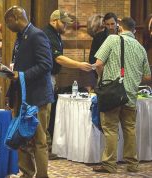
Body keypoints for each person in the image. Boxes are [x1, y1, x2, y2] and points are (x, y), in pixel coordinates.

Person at [93, 17, 151, 173]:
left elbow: (98, 64)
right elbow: (147, 76)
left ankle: (109, 165)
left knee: (111, 129)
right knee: (130, 129)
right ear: (134, 30)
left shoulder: (112, 39)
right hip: (131, 94)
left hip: (112, 93)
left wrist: (102, 79)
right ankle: (132, 164)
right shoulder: (140, 47)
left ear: (120, 28)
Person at [4, 6, 53, 178]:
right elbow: (18, 68)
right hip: (22, 96)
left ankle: (42, 175)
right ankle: (26, 172)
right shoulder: (19, 38)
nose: (7, 26)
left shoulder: (36, 35)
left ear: (16, 18)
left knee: (39, 141)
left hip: (38, 97)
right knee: (22, 137)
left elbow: (46, 65)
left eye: (7, 22)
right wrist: (11, 91)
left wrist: (21, 75)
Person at [42, 9, 92, 159]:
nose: (65, 26)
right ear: (54, 20)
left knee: (48, 113)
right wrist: (79, 65)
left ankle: (46, 145)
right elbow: (58, 59)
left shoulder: (55, 34)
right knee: (45, 113)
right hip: (46, 77)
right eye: (63, 23)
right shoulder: (48, 34)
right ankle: (44, 147)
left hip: (51, 77)